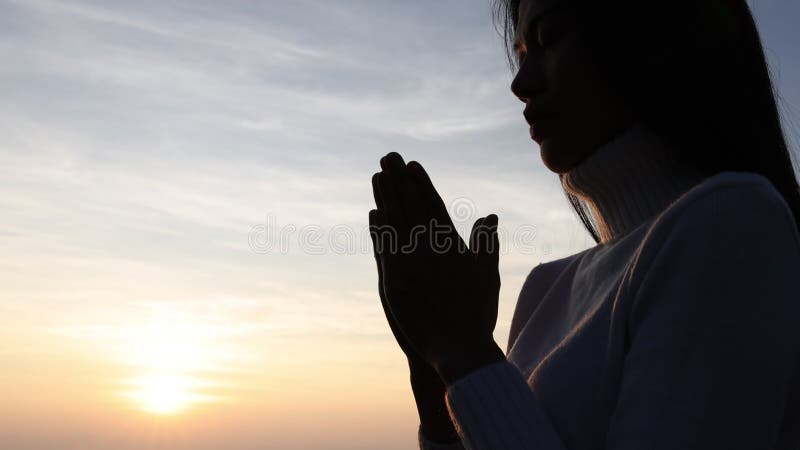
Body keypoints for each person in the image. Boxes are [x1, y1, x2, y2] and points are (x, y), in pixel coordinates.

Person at [368, 0, 800, 448]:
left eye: (549, 38)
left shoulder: (731, 223)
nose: (521, 83)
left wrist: (462, 350)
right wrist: (434, 370)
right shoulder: (547, 288)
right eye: (519, 55)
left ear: (655, 36)